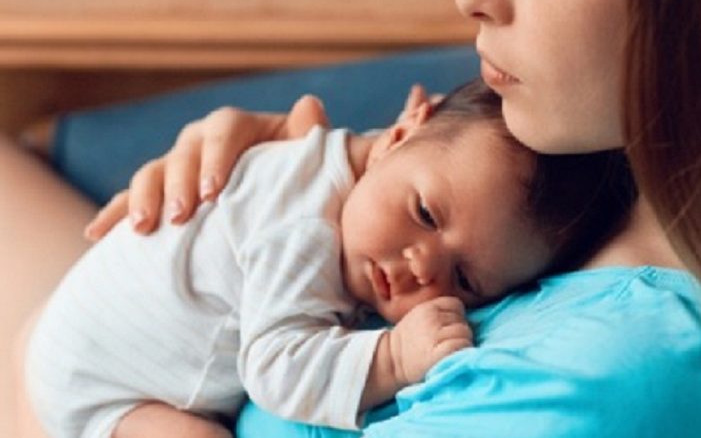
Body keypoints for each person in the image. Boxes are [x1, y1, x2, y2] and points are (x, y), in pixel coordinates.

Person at [4, 0, 701, 436]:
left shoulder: (594, 390)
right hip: (112, 304)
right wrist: (289, 164)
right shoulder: (570, 133)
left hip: (97, 381)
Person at [25, 80, 635, 438]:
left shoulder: (365, 166)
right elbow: (274, 365)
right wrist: (393, 357)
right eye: (424, 213)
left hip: (70, 315)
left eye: (465, 278)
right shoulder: (303, 227)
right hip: (105, 384)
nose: (423, 267)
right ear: (399, 133)